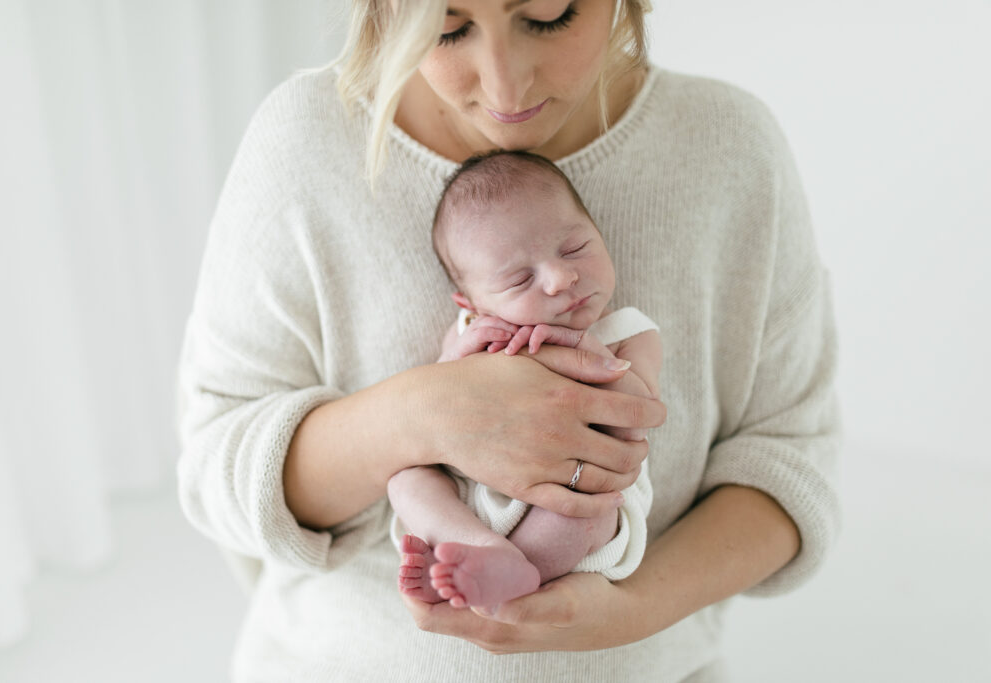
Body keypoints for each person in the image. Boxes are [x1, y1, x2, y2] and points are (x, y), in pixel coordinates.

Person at [176, 1, 841, 680]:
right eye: (448, 29)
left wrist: (630, 608)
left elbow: (791, 460)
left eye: (550, 16)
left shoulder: (729, 149)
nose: (504, 88)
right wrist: (423, 417)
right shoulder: (309, 139)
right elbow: (213, 469)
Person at [388, 150, 662, 611]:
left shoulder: (628, 332)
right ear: (471, 302)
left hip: (575, 498)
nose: (559, 278)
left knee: (581, 516)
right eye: (519, 280)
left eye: (575, 248)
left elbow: (639, 417)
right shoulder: (468, 333)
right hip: (475, 496)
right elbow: (431, 406)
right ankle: (475, 549)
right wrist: (458, 355)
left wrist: (588, 353)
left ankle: (513, 573)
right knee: (405, 479)